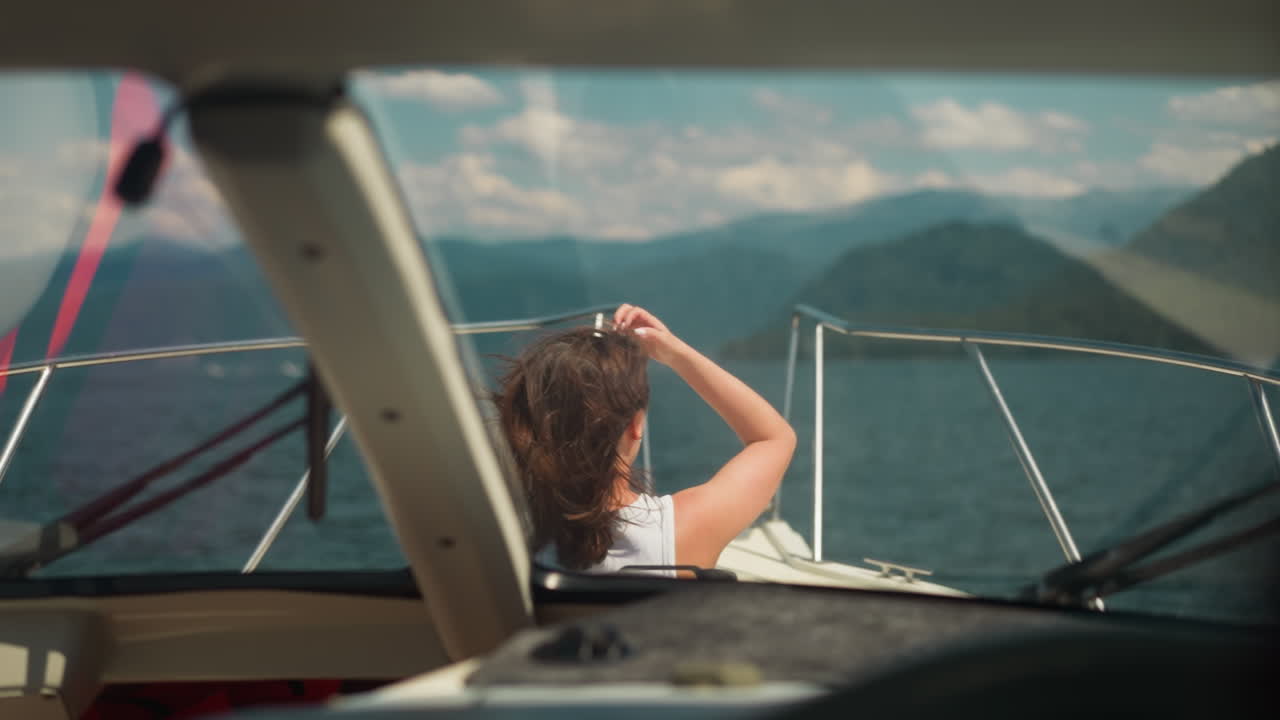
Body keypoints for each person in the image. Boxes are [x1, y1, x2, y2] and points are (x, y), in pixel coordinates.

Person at [493, 304, 796, 577]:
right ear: (635, 425)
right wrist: (675, 353)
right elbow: (774, 438)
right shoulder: (682, 530)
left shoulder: (504, 535)